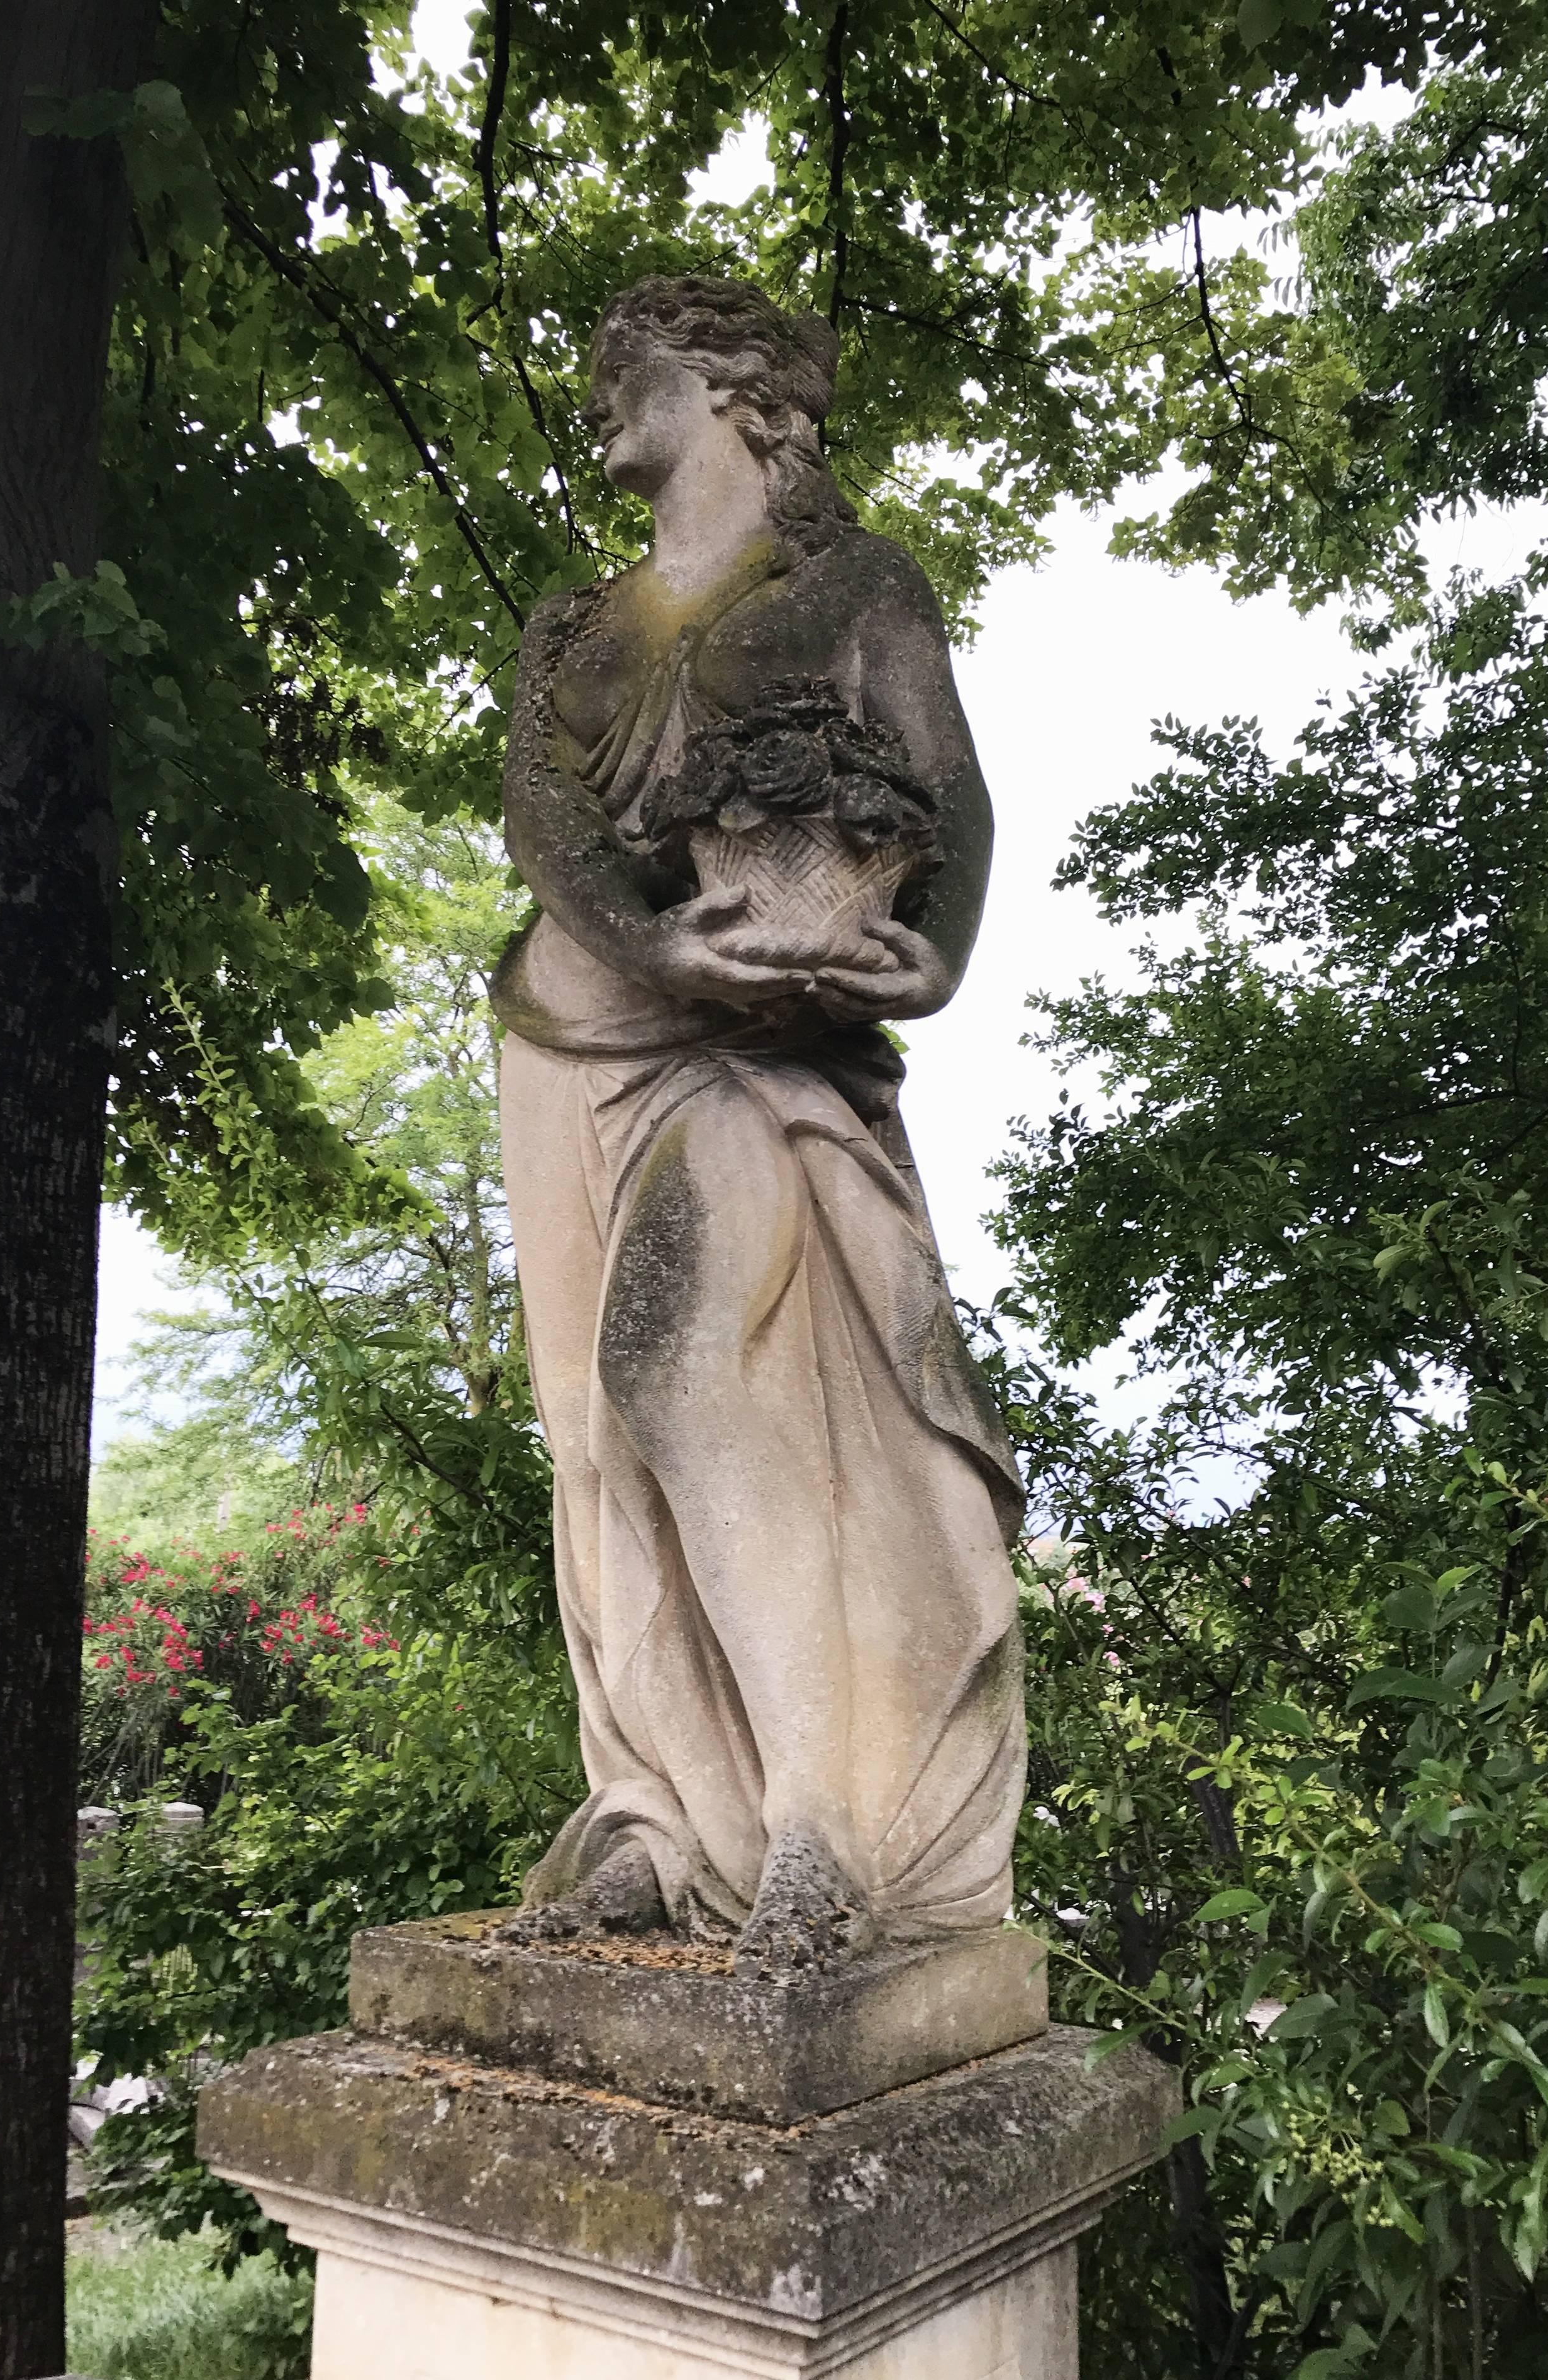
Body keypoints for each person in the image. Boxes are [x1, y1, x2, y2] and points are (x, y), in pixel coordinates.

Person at [491, 273, 1025, 1980]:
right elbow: (542, 830)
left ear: (732, 387)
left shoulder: (857, 585)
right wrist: (649, 941)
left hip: (768, 1042)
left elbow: (955, 793)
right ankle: (664, 1817)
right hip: (572, 1034)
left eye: (621, 359)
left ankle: (815, 1825)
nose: (596, 394)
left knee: (688, 1370)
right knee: (595, 1443)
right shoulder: (574, 629)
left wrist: (931, 958)